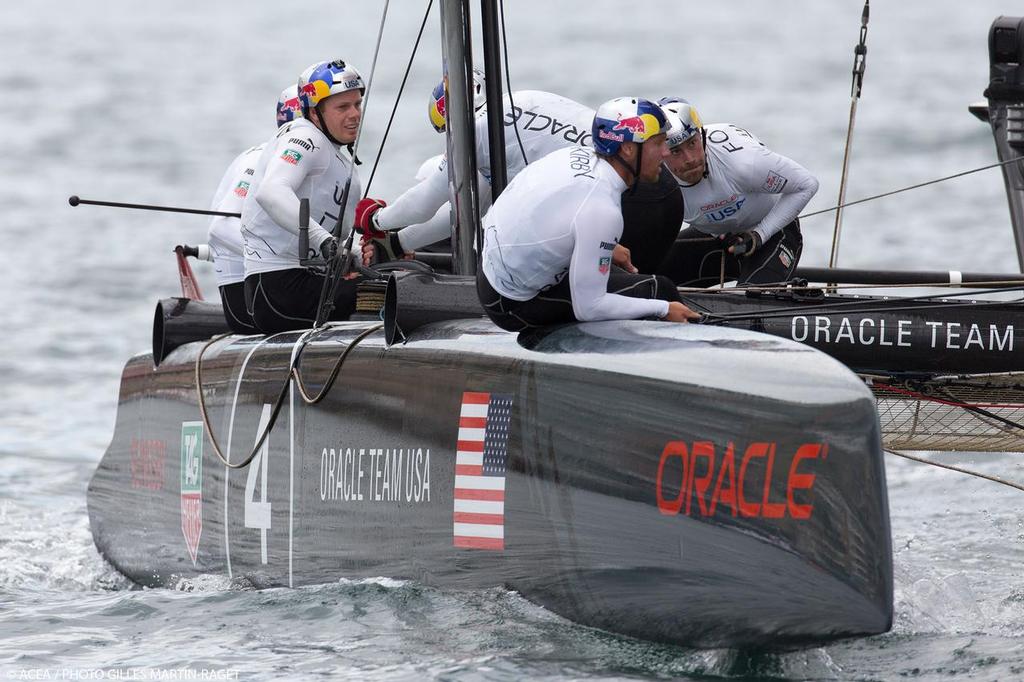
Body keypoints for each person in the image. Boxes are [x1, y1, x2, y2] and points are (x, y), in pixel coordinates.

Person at [476, 97, 700, 331]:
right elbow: (589, 307)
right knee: (658, 291)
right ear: (628, 148)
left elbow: (551, 214)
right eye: (658, 143)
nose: (665, 153)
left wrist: (604, 246)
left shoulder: (574, 155)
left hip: (490, 268)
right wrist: (664, 309)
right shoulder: (603, 209)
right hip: (511, 305)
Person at [356, 76, 595, 264]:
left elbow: (425, 203)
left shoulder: (475, 130)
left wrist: (375, 220)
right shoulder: (519, 101)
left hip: (596, 200)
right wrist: (398, 243)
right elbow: (466, 212)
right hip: (618, 177)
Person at [241, 60, 364, 334]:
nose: (355, 114)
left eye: (357, 104)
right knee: (396, 294)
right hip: (278, 289)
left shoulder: (336, 156)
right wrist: (323, 241)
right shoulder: (305, 137)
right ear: (314, 112)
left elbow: (338, 235)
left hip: (305, 283)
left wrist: (357, 252)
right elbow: (271, 191)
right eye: (342, 107)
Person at [654, 98, 819, 287]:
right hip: (720, 237)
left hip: (772, 231)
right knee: (649, 278)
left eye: (692, 144)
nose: (690, 159)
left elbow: (807, 184)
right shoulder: (652, 178)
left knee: (750, 299)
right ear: (659, 153)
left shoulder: (742, 163)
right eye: (676, 151)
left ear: (701, 136)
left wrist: (759, 234)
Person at [206, 85, 302, 334]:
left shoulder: (313, 162)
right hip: (245, 300)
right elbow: (221, 226)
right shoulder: (258, 160)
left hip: (279, 285)